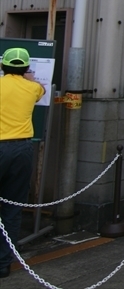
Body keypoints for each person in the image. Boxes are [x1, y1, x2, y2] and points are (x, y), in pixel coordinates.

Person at [0, 47, 46, 279]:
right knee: (12, 207)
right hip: (21, 149)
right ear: (26, 68)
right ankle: (2, 264)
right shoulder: (33, 88)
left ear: (3, 66)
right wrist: (29, 78)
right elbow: (42, 89)